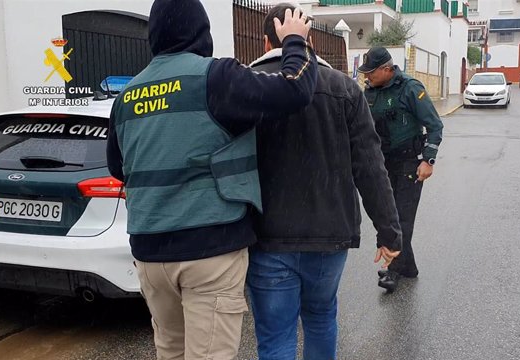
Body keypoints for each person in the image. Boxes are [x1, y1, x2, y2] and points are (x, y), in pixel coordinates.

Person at [106, 0, 318, 358]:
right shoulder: (216, 78)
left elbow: (117, 166)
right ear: (201, 32)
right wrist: (294, 41)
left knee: (171, 350)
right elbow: (295, 90)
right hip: (209, 250)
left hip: (149, 254)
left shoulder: (127, 96)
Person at [246, 4, 402, 359]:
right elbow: (370, 166)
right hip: (329, 236)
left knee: (275, 337)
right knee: (320, 318)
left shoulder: (247, 86)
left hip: (267, 237)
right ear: (309, 40)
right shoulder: (345, 90)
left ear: (265, 41)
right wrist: (389, 232)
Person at [358, 46, 444, 293]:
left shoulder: (410, 88)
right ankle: (409, 267)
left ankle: (394, 269)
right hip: (383, 164)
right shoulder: (370, 91)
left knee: (401, 218)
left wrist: (428, 160)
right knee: (387, 214)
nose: (367, 77)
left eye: (371, 72)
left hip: (409, 163)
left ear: (387, 69)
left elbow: (435, 126)